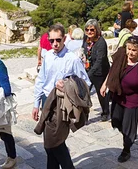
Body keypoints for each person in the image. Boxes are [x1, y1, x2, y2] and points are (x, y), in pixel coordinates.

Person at [32, 24, 90, 169]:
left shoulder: (72, 59)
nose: (55, 44)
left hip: (61, 103)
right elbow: (41, 79)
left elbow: (85, 84)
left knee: (55, 142)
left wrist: (67, 86)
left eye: (58, 40)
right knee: (49, 143)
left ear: (64, 38)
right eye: (51, 41)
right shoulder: (48, 56)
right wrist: (36, 103)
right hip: (47, 100)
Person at [101, 36, 138, 163]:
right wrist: (105, 84)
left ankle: (126, 149)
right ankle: (129, 134)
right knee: (116, 121)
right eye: (128, 49)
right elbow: (113, 71)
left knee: (127, 128)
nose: (130, 53)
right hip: (118, 98)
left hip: (133, 101)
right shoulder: (121, 58)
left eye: (134, 50)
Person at [84, 19, 110, 121]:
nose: (89, 32)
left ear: (97, 30)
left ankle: (105, 111)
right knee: (85, 93)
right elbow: (84, 51)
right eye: (87, 29)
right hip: (89, 69)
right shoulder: (86, 39)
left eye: (92, 30)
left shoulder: (101, 42)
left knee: (101, 94)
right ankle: (84, 114)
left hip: (100, 72)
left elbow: (100, 60)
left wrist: (89, 73)